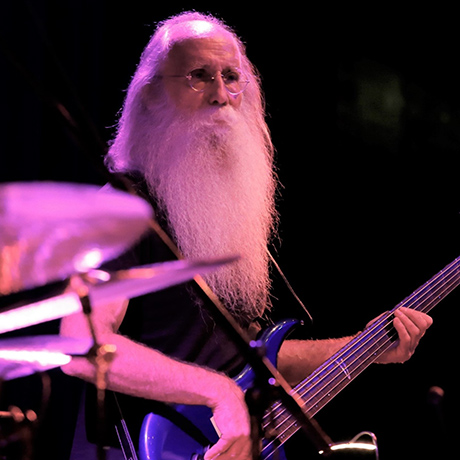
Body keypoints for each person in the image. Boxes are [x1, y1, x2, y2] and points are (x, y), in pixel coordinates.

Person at [60, 11, 433, 460]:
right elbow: (82, 346)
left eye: (232, 77)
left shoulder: (220, 213)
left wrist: (365, 347)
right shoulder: (119, 209)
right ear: (152, 96)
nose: (221, 94)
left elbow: (252, 361)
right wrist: (217, 392)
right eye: (199, 76)